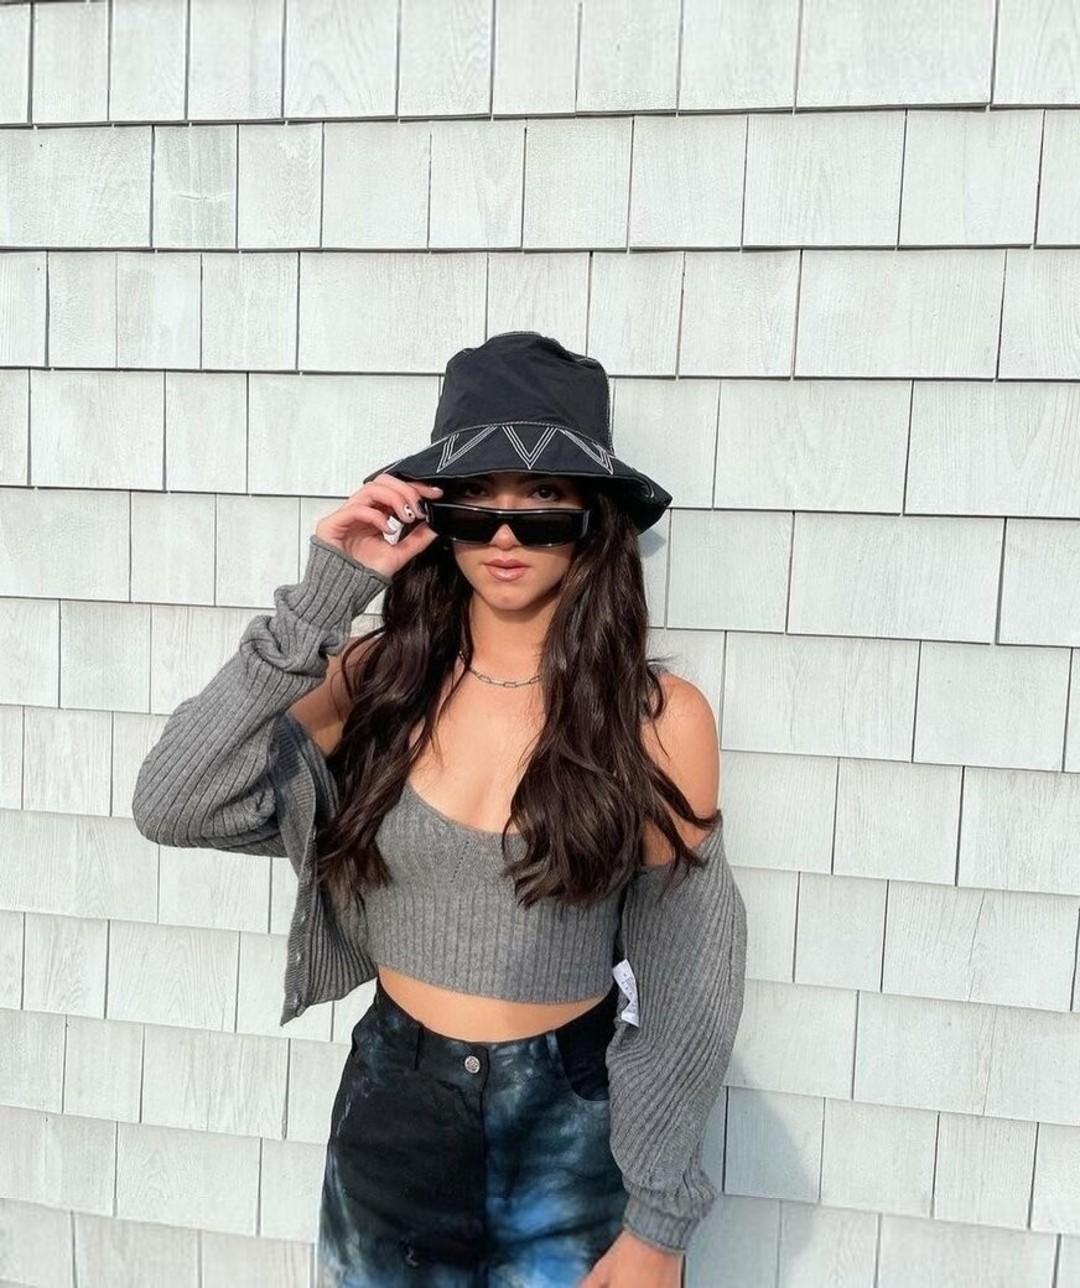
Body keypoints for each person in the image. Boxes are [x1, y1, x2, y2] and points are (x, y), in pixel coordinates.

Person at [132, 331, 748, 1287]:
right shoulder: (375, 683)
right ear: (431, 512)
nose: (504, 536)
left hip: (571, 1127)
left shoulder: (657, 718)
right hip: (396, 1112)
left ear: (593, 518)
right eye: (475, 502)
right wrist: (324, 599)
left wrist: (661, 1219)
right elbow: (174, 802)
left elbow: (688, 981)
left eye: (542, 504)